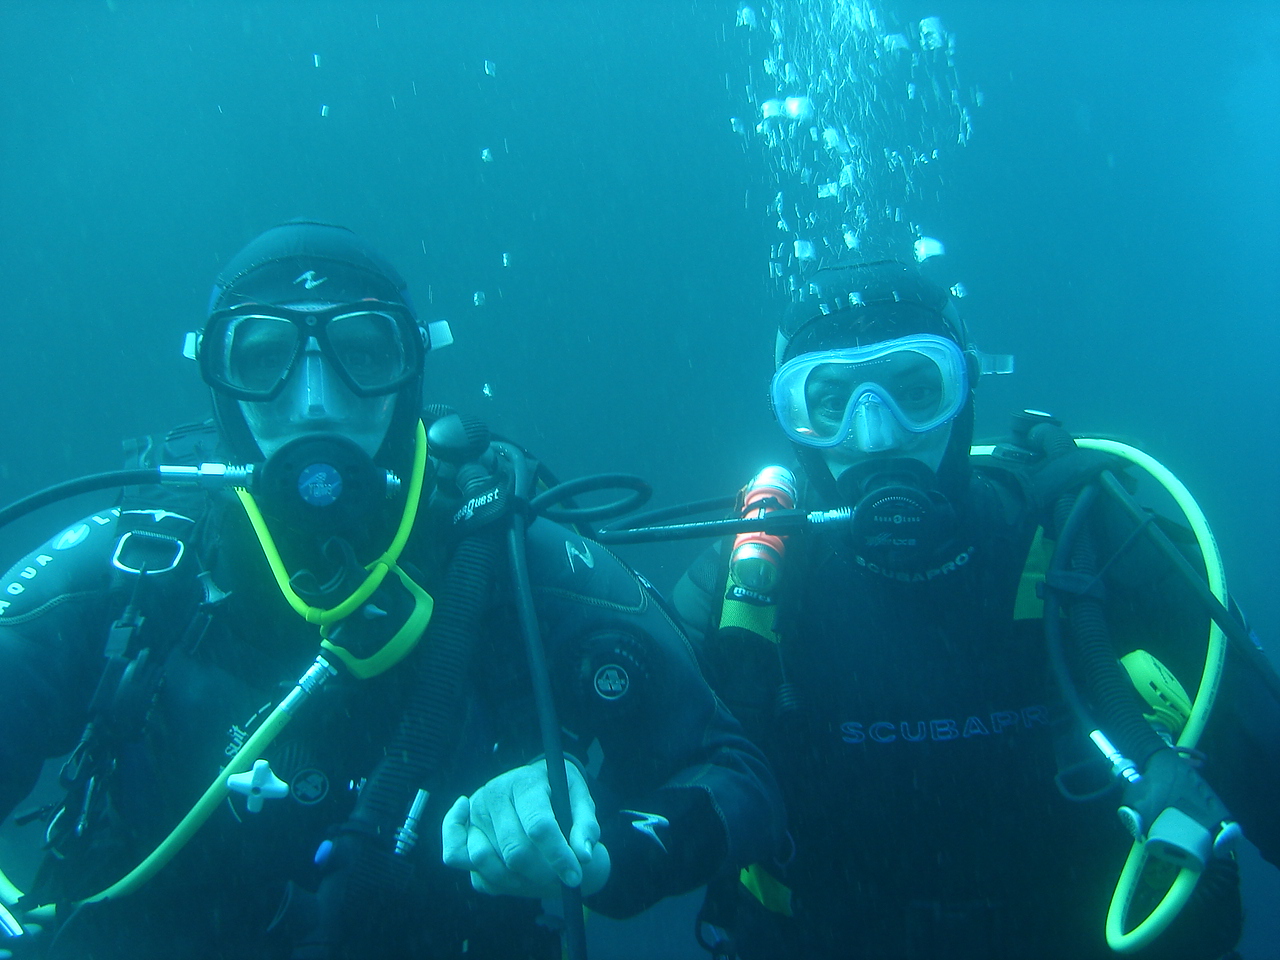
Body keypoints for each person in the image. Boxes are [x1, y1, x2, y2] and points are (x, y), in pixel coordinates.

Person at [0, 221, 783, 960]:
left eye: (363, 353)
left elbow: (734, 769)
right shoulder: (141, 558)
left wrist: (603, 843)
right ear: (220, 381)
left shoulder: (504, 549)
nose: (314, 399)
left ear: (412, 368)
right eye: (264, 356)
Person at [672, 259, 1280, 960]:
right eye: (832, 401)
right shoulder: (750, 586)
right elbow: (624, 777)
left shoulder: (1089, 542)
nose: (877, 437)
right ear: (793, 419)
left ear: (965, 389)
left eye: (915, 388)